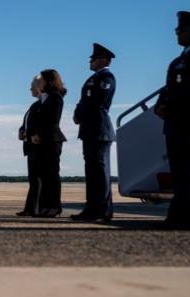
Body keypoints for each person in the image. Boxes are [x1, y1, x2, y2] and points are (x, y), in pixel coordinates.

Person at [154, 11, 190, 228]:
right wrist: (159, 106)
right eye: (177, 30)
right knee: (179, 172)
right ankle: (179, 216)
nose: (177, 34)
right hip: (175, 123)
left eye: (181, 30)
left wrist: (169, 107)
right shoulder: (177, 61)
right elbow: (169, 88)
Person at [71, 43, 117, 221]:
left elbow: (98, 100)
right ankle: (91, 208)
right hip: (89, 129)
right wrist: (77, 115)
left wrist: (80, 115)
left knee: (100, 172)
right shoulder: (93, 79)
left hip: (99, 128)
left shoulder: (107, 77)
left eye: (94, 58)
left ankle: (103, 210)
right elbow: (83, 100)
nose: (90, 61)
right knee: (91, 172)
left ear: (104, 60)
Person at [33, 69, 67, 217]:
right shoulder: (45, 98)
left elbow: (53, 120)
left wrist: (40, 135)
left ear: (49, 80)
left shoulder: (55, 97)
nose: (39, 81)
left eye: (42, 79)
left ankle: (55, 206)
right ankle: (46, 206)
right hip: (42, 140)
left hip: (52, 139)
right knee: (45, 175)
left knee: (52, 174)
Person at [16, 76, 43, 216]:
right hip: (30, 145)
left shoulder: (41, 104)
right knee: (33, 178)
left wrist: (30, 134)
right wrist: (21, 131)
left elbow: (40, 123)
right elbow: (27, 123)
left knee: (36, 178)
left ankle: (34, 208)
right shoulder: (35, 105)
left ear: (39, 87)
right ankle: (30, 208)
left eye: (32, 86)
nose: (30, 89)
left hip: (37, 145)